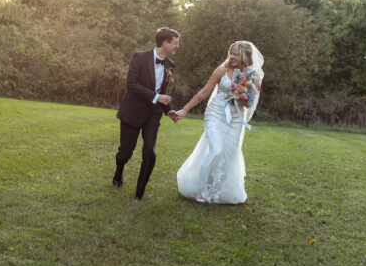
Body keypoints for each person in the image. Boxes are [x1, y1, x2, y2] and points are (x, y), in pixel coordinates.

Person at [173, 41, 264, 204]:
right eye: (231, 53)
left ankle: (216, 191)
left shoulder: (253, 77)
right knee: (216, 150)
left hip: (235, 119)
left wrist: (243, 95)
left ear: (245, 57)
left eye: (236, 54)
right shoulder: (222, 70)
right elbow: (204, 92)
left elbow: (250, 104)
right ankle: (199, 190)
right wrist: (184, 110)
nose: (232, 56)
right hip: (215, 114)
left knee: (228, 154)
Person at [113, 27, 180, 200]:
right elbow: (132, 84)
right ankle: (119, 171)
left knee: (149, 150)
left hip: (153, 115)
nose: (177, 47)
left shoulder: (170, 65)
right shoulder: (139, 57)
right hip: (133, 111)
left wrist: (169, 110)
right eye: (175, 43)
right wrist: (156, 96)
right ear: (165, 43)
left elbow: (163, 93)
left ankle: (139, 193)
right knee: (125, 152)